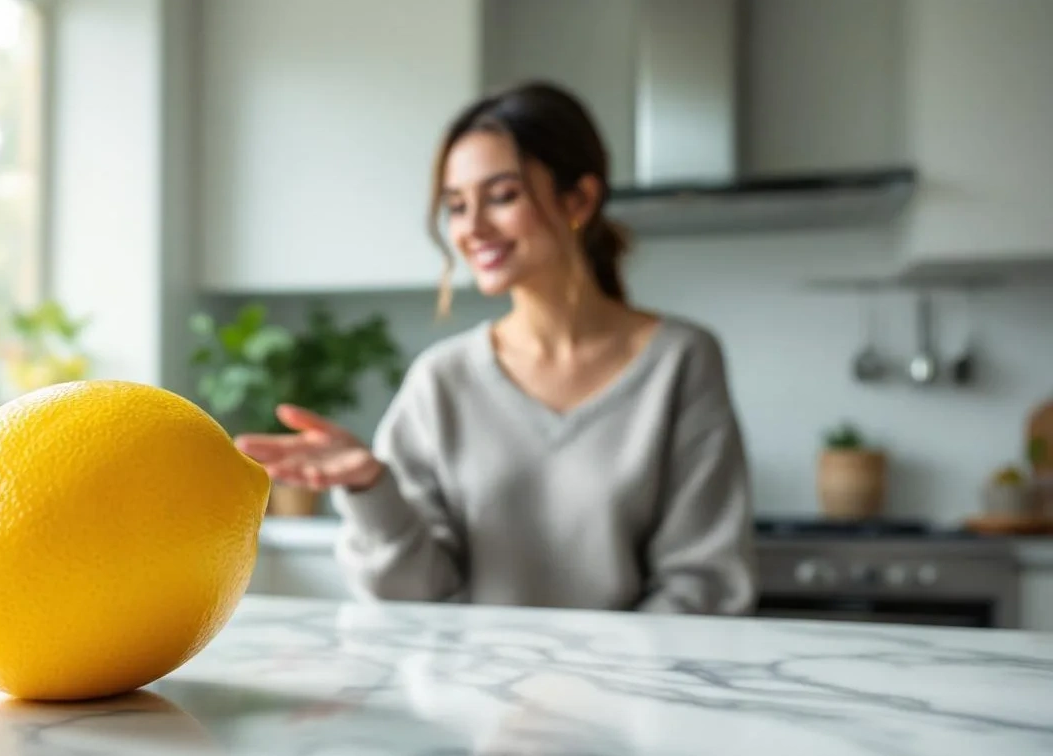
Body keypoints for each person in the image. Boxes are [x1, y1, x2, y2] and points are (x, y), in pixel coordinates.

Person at [234, 81, 756, 615]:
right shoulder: (442, 379)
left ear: (579, 198)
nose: (473, 228)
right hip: (470, 673)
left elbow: (703, 582)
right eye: (457, 206)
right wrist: (372, 488)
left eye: (502, 196)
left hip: (637, 673)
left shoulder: (681, 361)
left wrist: (597, 668)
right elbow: (413, 597)